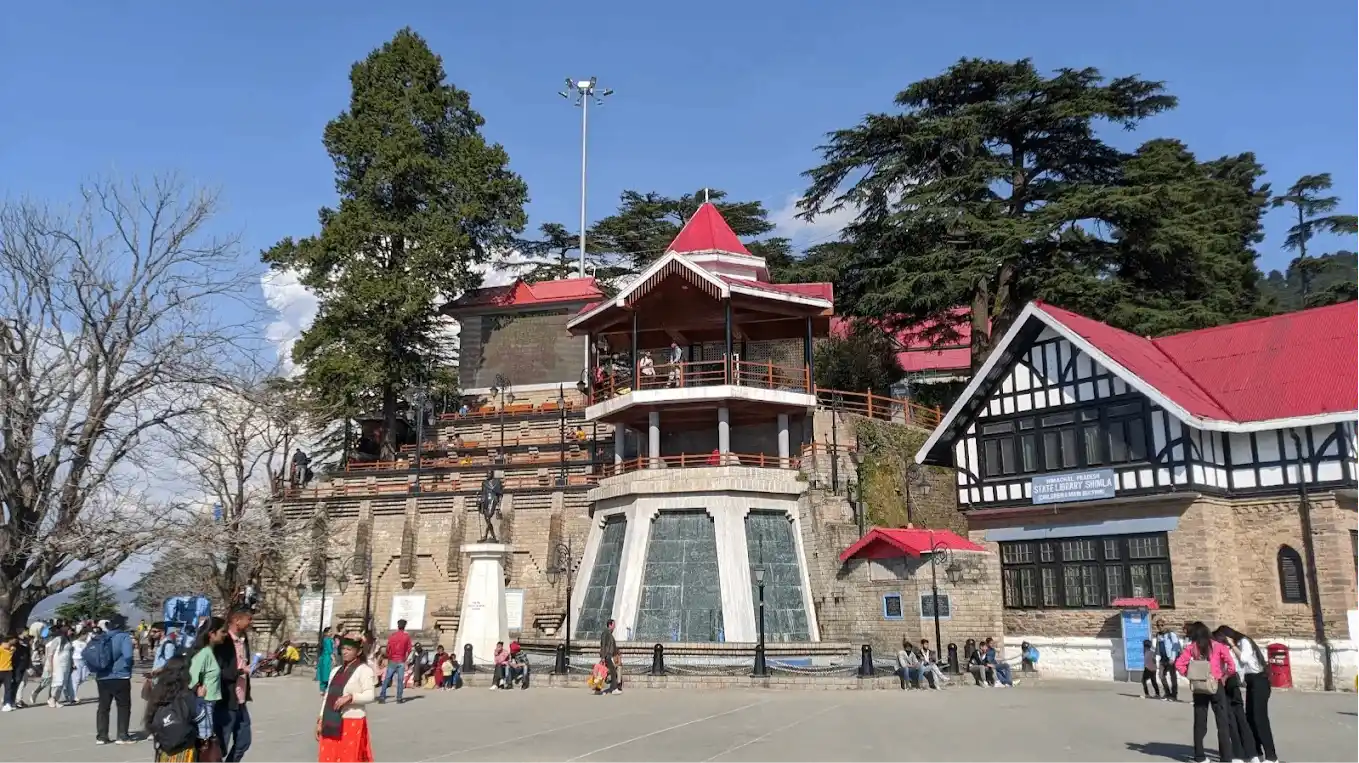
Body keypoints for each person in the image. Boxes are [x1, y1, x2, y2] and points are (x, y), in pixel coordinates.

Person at [1215, 626, 1278, 763]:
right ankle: (1257, 753)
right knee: (1250, 718)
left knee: (1260, 719)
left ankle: (1271, 756)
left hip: (1260, 680)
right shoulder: (1237, 645)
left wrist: (1231, 644)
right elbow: (1239, 667)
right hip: (1251, 682)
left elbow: (1244, 658)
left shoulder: (1244, 641)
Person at [1176, 621, 1237, 763]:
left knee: (1199, 722)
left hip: (1199, 687)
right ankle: (1226, 757)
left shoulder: (1192, 648)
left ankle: (1200, 756)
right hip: (1215, 685)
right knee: (1222, 722)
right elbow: (1231, 666)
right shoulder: (1218, 646)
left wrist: (1190, 674)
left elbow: (1179, 664)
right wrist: (1223, 676)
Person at [315, 636, 377, 763]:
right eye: (343, 649)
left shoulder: (364, 670)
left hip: (352, 720)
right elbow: (328, 696)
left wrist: (351, 697)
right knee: (329, 755)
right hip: (331, 720)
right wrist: (321, 719)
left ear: (358, 652)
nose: (345, 652)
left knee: (348, 757)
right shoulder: (335, 671)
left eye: (349, 649)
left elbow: (370, 695)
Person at [212, 606, 255, 763]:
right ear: (237, 620)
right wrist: (239, 671)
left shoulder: (244, 640)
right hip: (226, 700)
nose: (251, 622)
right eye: (249, 619)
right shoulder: (223, 642)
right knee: (220, 745)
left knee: (244, 741)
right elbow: (216, 671)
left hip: (241, 700)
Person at [1212, 627, 1261, 763]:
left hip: (1225, 681)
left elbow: (1226, 667)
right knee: (1241, 719)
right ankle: (1252, 754)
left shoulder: (1220, 648)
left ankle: (1238, 754)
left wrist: (1223, 677)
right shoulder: (1233, 648)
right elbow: (1238, 667)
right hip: (1235, 681)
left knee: (1231, 720)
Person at [144, 656, 206, 763]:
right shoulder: (187, 696)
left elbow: (151, 722)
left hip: (165, 752)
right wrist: (201, 699)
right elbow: (202, 722)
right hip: (185, 752)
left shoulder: (158, 693)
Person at [189, 617, 227, 761]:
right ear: (211, 633)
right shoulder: (203, 654)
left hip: (210, 704)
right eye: (222, 631)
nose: (225, 634)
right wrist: (197, 692)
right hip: (204, 705)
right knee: (204, 745)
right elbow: (191, 678)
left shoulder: (211, 652)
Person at [377, 620, 412, 704]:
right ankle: (399, 698)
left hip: (392, 660)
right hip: (401, 660)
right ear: (404, 626)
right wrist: (405, 658)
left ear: (398, 626)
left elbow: (388, 648)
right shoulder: (406, 636)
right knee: (400, 680)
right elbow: (409, 649)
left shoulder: (393, 636)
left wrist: (389, 657)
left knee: (387, 679)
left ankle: (382, 697)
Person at [1156, 618, 1184, 701]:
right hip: (1163, 658)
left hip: (1170, 658)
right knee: (1161, 675)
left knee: (1173, 676)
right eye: (1158, 625)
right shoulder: (1158, 635)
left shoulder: (1170, 634)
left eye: (1161, 625)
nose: (1160, 627)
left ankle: (1174, 695)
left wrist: (1172, 658)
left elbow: (1175, 646)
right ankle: (1167, 693)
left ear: (1165, 625)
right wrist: (1155, 656)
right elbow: (1158, 646)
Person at [598, 619, 620, 695]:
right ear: (610, 625)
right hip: (607, 655)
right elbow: (603, 645)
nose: (615, 626)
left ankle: (599, 689)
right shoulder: (605, 633)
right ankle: (614, 689)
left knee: (604, 672)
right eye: (613, 625)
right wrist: (603, 657)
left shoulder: (609, 633)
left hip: (609, 655)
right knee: (612, 672)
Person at [317, 628, 335, 695]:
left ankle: (322, 689)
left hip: (323, 657)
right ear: (326, 633)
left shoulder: (324, 639)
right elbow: (330, 650)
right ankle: (327, 688)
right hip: (327, 658)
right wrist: (334, 659)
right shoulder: (328, 640)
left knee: (323, 673)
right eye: (330, 631)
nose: (331, 632)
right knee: (327, 673)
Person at [0, 634, 16, 712]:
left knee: (8, 688)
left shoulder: (12, 649)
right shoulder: (1, 649)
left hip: (8, 671)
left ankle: (7, 703)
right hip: (0, 670)